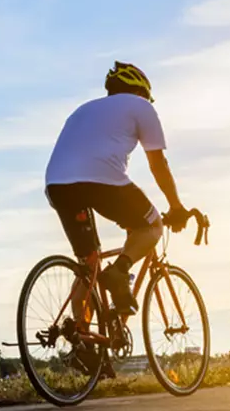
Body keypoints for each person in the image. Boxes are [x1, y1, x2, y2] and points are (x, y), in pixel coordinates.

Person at [44, 62, 189, 321]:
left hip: (57, 184)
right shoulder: (141, 107)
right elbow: (158, 164)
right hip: (102, 181)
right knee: (153, 225)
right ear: (141, 92)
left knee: (88, 266)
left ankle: (83, 342)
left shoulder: (83, 110)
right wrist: (176, 207)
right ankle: (120, 271)